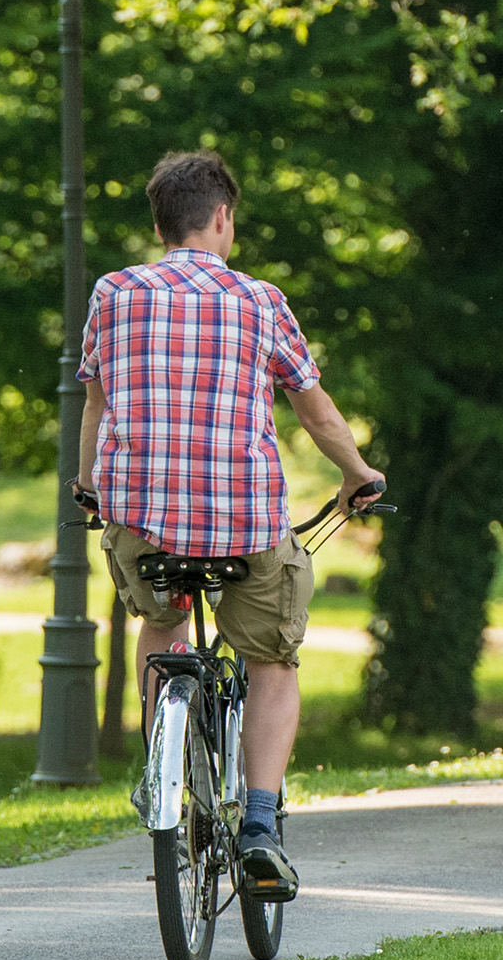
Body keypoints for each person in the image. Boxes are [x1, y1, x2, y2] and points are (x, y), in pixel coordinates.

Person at [75, 149, 385, 900]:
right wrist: (358, 477)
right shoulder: (259, 300)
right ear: (220, 217)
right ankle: (260, 824)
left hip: (141, 519)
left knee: (161, 623)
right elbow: (314, 409)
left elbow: (95, 401)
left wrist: (89, 488)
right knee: (274, 658)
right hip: (244, 524)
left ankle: (163, 773)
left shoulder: (112, 293)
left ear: (159, 223)